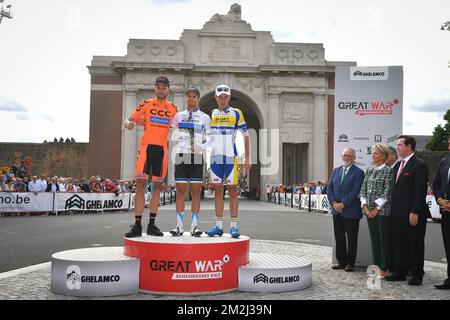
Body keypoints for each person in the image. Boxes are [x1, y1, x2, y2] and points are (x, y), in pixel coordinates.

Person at [124, 76, 178, 238]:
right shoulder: (146, 103)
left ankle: (152, 225)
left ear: (168, 89)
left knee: (157, 187)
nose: (161, 90)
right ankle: (138, 225)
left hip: (162, 149)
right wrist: (128, 123)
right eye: (158, 87)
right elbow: (130, 119)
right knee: (140, 184)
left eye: (164, 87)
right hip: (146, 147)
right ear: (155, 88)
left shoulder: (173, 108)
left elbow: (181, 125)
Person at [207, 84, 252, 239]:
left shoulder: (236, 113)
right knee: (217, 191)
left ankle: (234, 226)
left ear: (229, 97)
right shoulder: (211, 113)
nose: (223, 99)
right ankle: (218, 226)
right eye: (220, 96)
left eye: (226, 96)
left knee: (233, 191)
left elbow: (246, 136)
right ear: (216, 97)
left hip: (230, 157)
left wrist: (248, 158)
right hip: (214, 158)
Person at [386, 136, 430, 286]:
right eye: (397, 145)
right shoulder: (399, 164)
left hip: (412, 213)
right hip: (397, 213)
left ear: (409, 147)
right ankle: (400, 272)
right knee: (400, 244)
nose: (397, 147)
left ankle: (417, 274)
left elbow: (420, 191)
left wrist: (415, 211)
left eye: (399, 145)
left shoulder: (419, 165)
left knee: (415, 244)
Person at [169, 87, 211, 237]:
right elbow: (168, 130)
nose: (191, 99)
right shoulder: (178, 116)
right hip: (181, 156)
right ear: (186, 98)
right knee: (180, 192)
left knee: (195, 193)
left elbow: (211, 137)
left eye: (194, 96)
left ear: (198, 99)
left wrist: (202, 147)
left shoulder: (205, 117)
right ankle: (179, 226)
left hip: (196, 158)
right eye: (189, 96)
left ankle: (194, 226)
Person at [359, 144, 394, 278]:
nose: (373, 155)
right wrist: (366, 207)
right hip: (368, 211)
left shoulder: (389, 171)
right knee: (374, 241)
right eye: (372, 153)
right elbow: (363, 189)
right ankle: (376, 268)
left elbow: (387, 191)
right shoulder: (369, 170)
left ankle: (384, 269)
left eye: (376, 153)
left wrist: (376, 209)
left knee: (384, 241)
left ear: (383, 155)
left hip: (383, 212)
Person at [327, 148, 364, 272]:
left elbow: (355, 191)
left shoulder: (358, 172)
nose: (346, 157)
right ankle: (341, 262)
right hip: (336, 210)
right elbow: (329, 188)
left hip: (351, 211)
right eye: (344, 155)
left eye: (348, 155)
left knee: (352, 238)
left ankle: (350, 263)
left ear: (354, 157)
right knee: (339, 237)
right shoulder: (336, 171)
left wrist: (343, 204)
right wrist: (333, 203)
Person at [431, 136, 450, 289]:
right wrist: (438, 199)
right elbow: (436, 184)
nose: (449, 143)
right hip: (446, 213)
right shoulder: (444, 161)